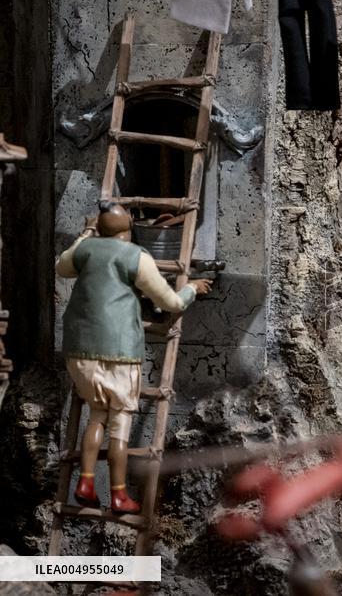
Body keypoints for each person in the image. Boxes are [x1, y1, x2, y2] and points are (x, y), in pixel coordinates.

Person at [57, 201, 211, 512]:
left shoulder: (86, 251)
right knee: (121, 426)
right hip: (120, 353)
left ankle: (85, 482)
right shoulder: (135, 257)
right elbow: (169, 302)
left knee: (97, 415)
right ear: (129, 230)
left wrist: (87, 232)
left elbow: (62, 266)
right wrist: (191, 288)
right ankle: (118, 494)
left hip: (79, 353)